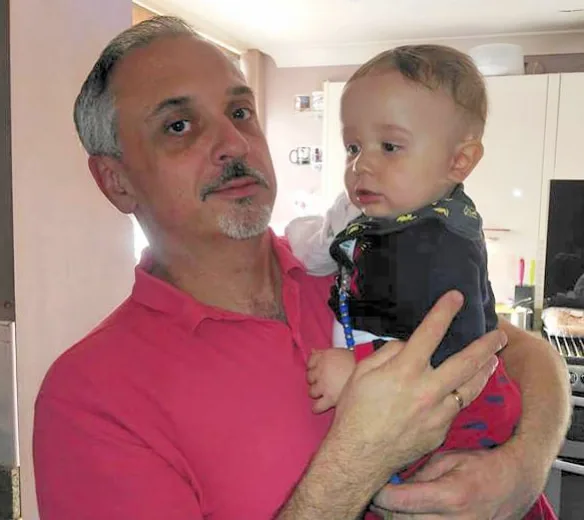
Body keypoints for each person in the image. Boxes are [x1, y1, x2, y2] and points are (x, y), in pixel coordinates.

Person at [32, 16, 570, 520]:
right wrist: (360, 456)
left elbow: (522, 352)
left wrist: (522, 468)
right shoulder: (89, 398)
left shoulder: (348, 262)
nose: (234, 143)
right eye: (179, 125)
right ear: (116, 180)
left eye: (240, 113)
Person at [286, 45, 552, 518]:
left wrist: (357, 368)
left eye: (389, 147)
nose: (361, 165)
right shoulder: (401, 222)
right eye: (353, 147)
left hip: (463, 427)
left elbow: (458, 346)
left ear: (459, 161)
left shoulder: (436, 244)